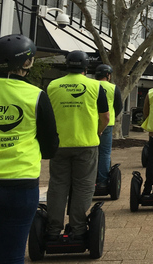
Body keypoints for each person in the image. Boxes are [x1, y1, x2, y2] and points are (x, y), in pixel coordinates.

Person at [0, 34, 59, 264]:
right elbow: (50, 147)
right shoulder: (36, 96)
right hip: (20, 184)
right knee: (12, 254)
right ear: (27, 63)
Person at [45, 51, 109, 242]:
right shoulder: (95, 86)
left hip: (60, 144)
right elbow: (105, 116)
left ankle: (53, 229)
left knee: (57, 186)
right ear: (86, 67)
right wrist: (97, 131)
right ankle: (78, 228)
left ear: (66, 65)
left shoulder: (52, 86)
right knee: (83, 186)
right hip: (86, 144)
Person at [94, 64, 123, 190]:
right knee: (105, 153)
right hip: (107, 124)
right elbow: (119, 106)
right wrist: (111, 116)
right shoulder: (113, 88)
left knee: (92, 153)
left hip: (91, 124)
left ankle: (89, 179)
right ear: (108, 75)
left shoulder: (91, 86)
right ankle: (102, 181)